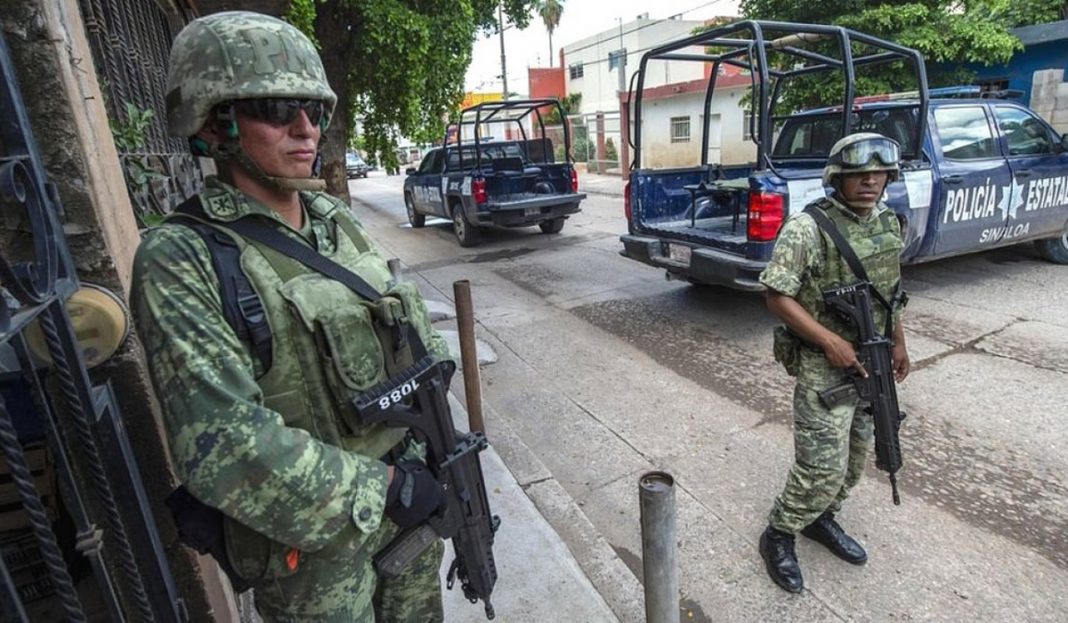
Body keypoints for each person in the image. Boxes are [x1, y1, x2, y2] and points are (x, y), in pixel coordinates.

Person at [130, 11, 452, 621]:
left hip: (407, 505)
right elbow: (225, 447)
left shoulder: (333, 221)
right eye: (277, 109)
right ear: (215, 122)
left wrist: (437, 445)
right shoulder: (182, 256)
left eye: (315, 111)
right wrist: (384, 491)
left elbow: (402, 334)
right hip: (312, 554)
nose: (306, 130)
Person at [757, 132, 910, 593]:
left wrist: (899, 342)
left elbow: (890, 295)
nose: (869, 182)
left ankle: (821, 518)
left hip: (873, 357)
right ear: (837, 179)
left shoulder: (887, 222)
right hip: (825, 366)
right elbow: (776, 295)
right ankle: (779, 533)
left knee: (857, 457)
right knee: (821, 464)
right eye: (858, 174)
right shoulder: (806, 229)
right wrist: (828, 341)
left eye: (878, 174)